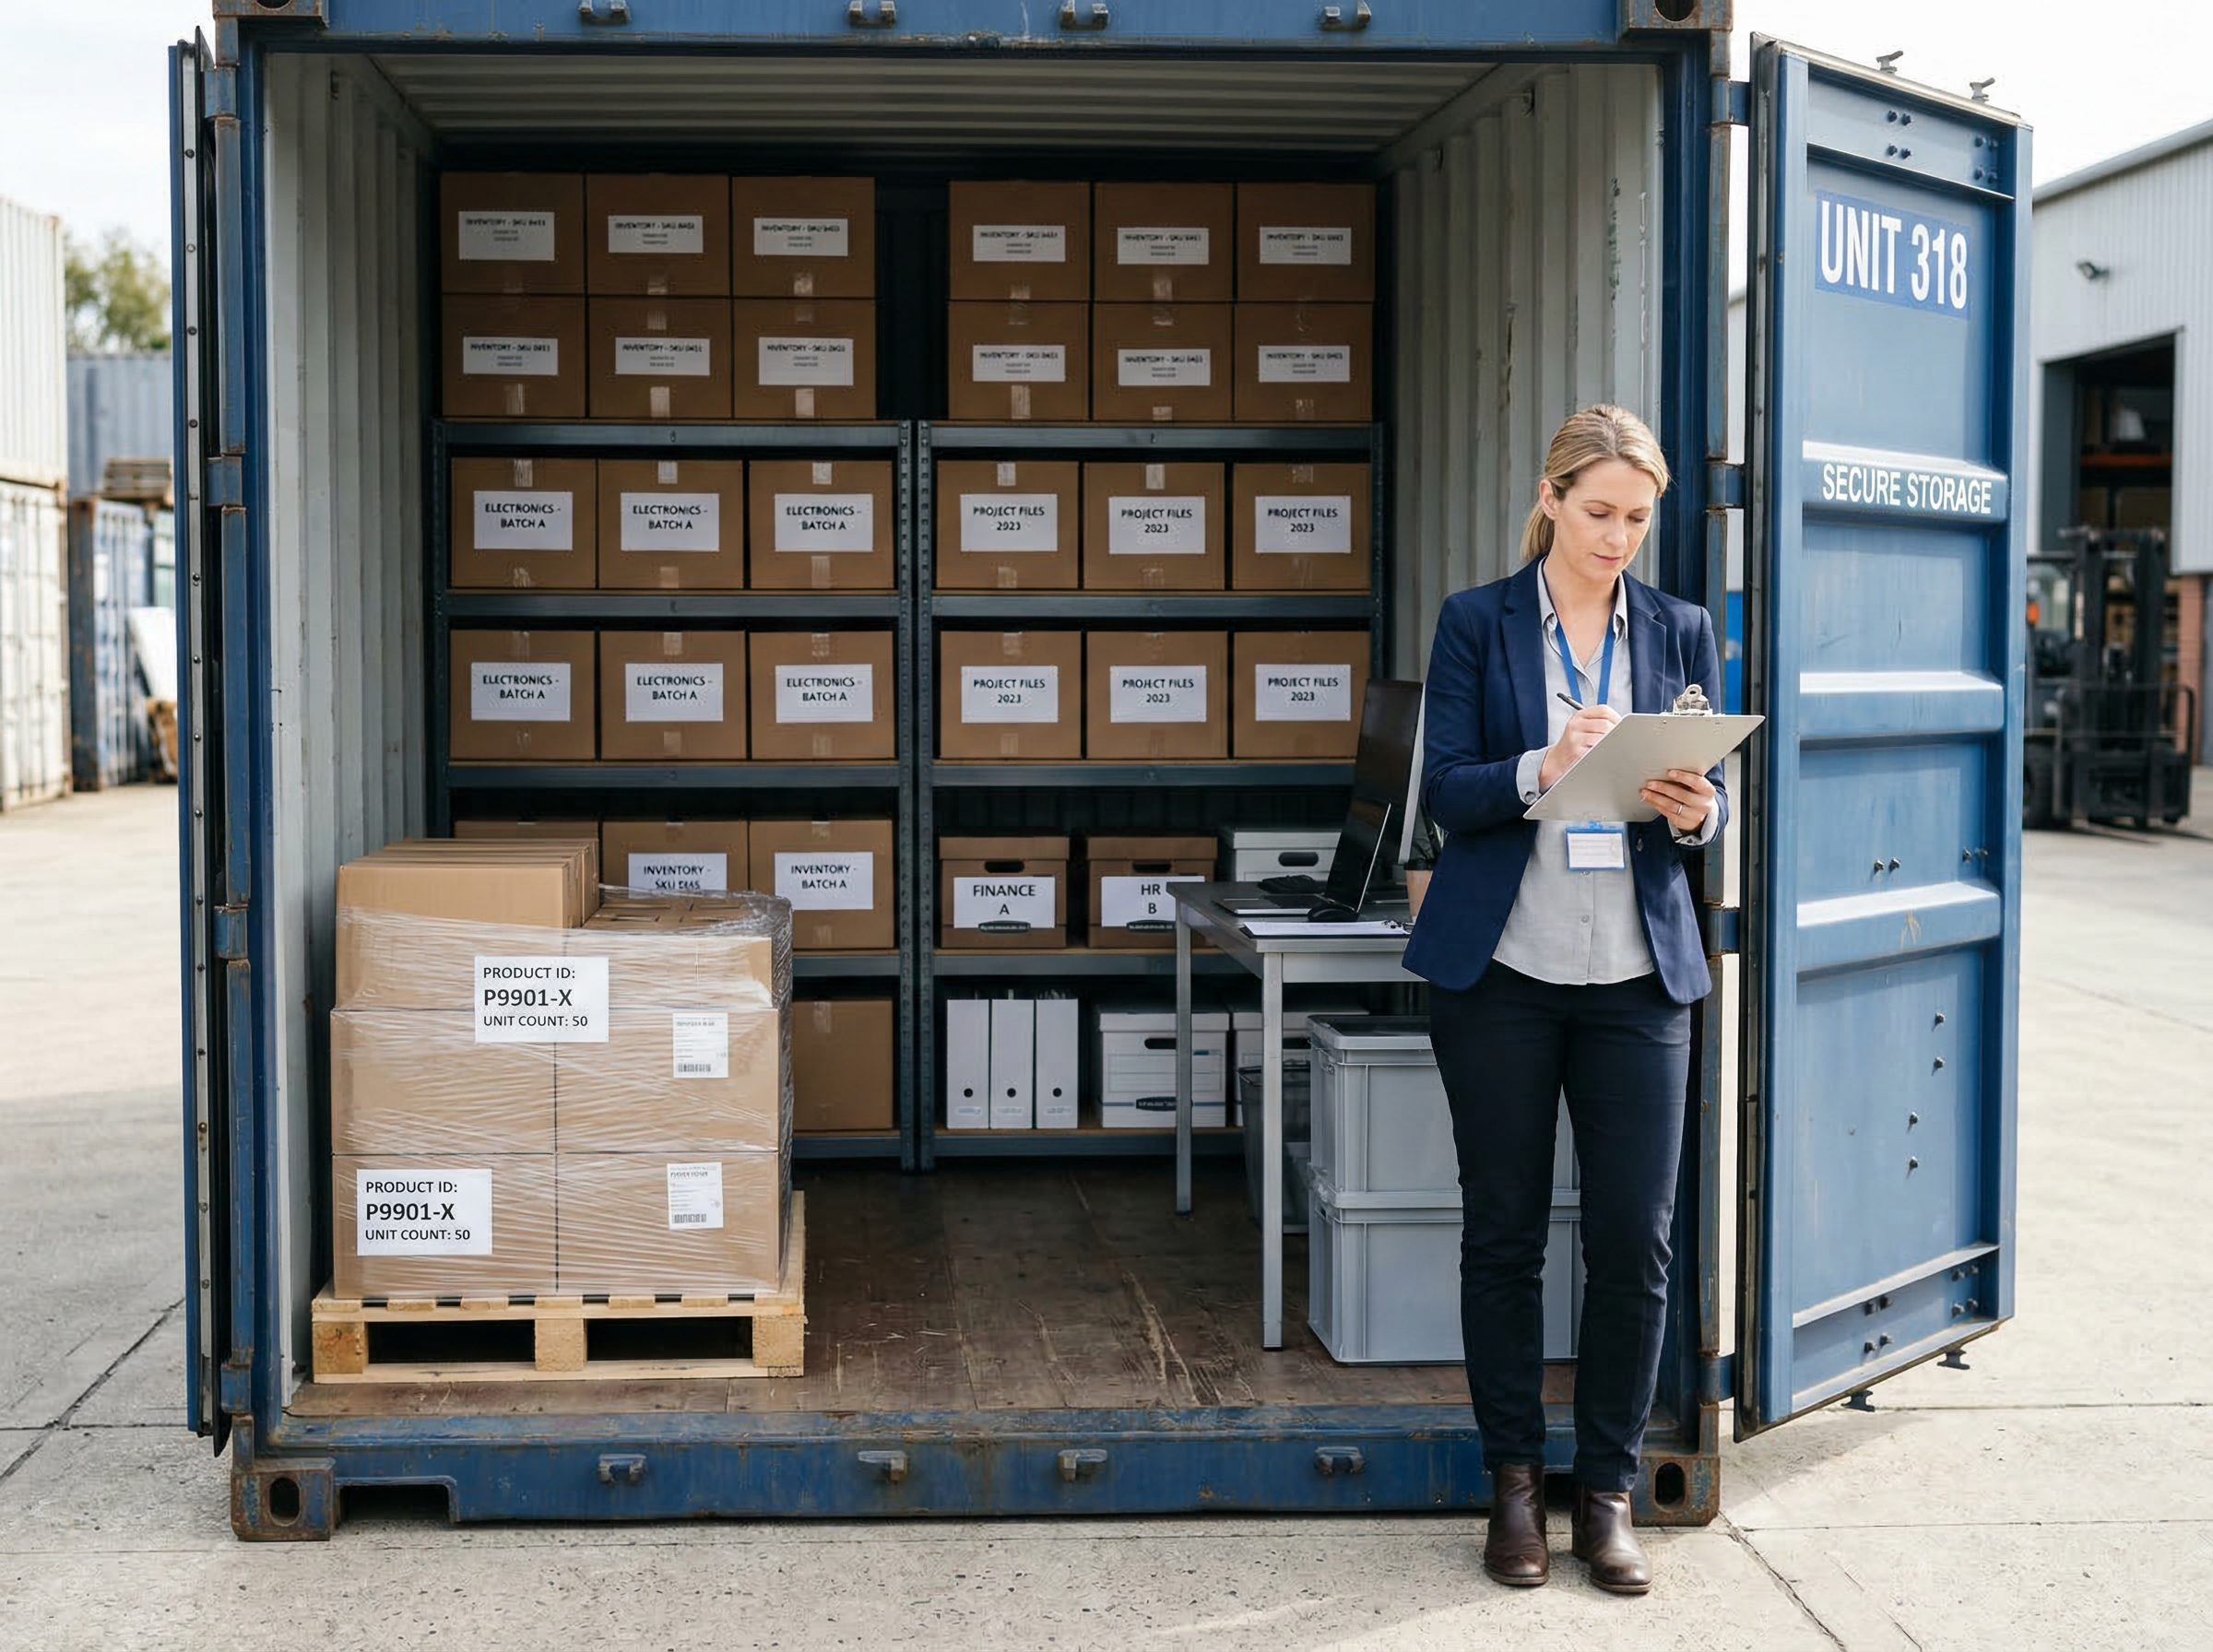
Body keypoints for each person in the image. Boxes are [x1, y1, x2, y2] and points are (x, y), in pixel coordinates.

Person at [1402, 405, 1725, 1596]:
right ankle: (1514, 1490)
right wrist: (1543, 766)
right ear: (1550, 500)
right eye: (1599, 513)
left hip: (1640, 980)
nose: (1619, 538)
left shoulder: (1680, 628)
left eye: (1638, 520)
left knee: (1636, 1246)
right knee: (1505, 1238)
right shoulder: (1476, 624)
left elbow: (1709, 782)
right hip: (1507, 977)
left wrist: (1704, 813)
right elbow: (1443, 788)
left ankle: (1606, 1495)